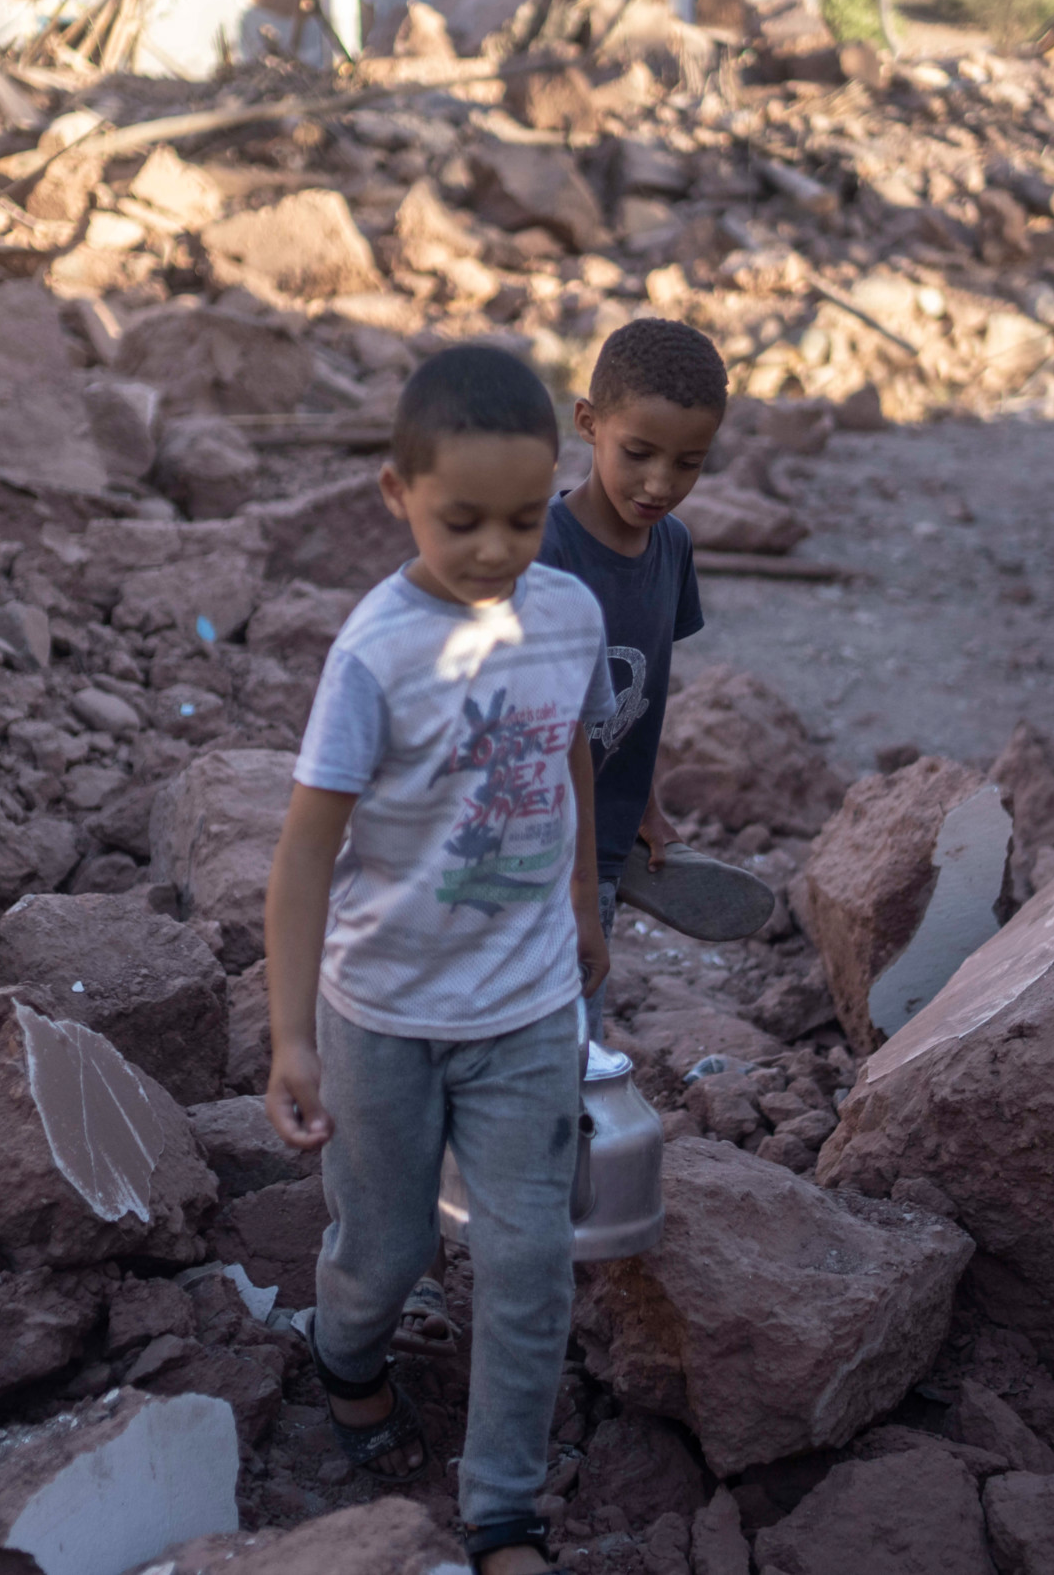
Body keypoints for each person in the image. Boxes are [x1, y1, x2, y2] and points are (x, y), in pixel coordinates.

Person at [260, 343, 611, 1575]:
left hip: (523, 1003)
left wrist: (579, 893)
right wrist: (293, 1032)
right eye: (463, 520)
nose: (498, 549)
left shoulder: (568, 609)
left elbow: (569, 741)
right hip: (387, 1012)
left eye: (525, 518)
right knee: (388, 1248)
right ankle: (343, 1352)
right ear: (395, 494)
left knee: (527, 1252)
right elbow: (306, 851)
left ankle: (503, 1506)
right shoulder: (373, 652)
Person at [538, 317, 747, 943]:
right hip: (521, 848)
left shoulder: (672, 548)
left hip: (602, 844)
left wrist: (644, 807)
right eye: (638, 454)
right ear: (588, 423)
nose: (661, 483)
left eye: (688, 463)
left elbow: (635, 705)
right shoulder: (544, 554)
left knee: (579, 1016)